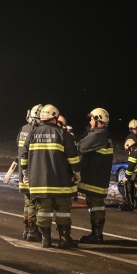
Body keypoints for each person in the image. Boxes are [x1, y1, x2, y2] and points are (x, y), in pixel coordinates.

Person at [20, 104, 81, 248]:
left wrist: (26, 173)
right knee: (63, 212)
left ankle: (46, 239)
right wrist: (76, 172)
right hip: (61, 183)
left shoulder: (32, 134)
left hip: (39, 184)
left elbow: (24, 156)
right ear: (55, 116)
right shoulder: (63, 134)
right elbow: (72, 157)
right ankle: (64, 239)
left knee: (43, 212)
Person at [77, 108, 114, 244]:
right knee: (94, 205)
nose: (90, 121)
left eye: (92, 118)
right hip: (98, 177)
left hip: (94, 178)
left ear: (98, 120)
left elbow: (80, 146)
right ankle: (96, 233)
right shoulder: (103, 134)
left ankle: (96, 235)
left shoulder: (99, 135)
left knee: (96, 205)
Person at [16, 104, 43, 242]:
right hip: (31, 173)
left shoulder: (23, 129)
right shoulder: (36, 131)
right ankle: (33, 231)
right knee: (33, 203)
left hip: (23, 173)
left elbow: (20, 150)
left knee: (27, 202)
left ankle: (27, 229)